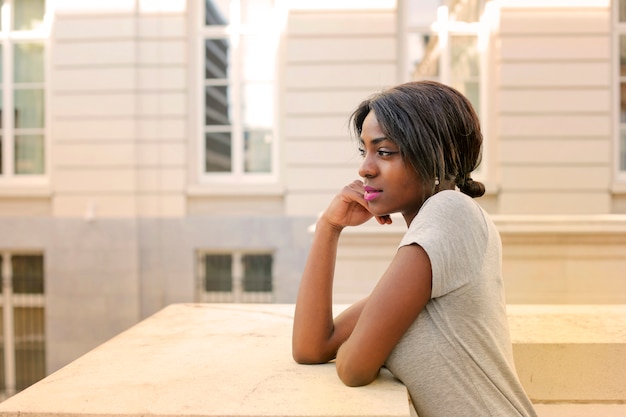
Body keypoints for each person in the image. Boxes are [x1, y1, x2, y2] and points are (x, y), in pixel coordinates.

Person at [292, 81, 537, 417]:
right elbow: (312, 347)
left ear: (436, 154)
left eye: (385, 152)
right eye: (364, 151)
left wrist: (367, 345)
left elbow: (353, 368)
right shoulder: (434, 242)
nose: (365, 168)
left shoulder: (449, 211)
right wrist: (329, 228)